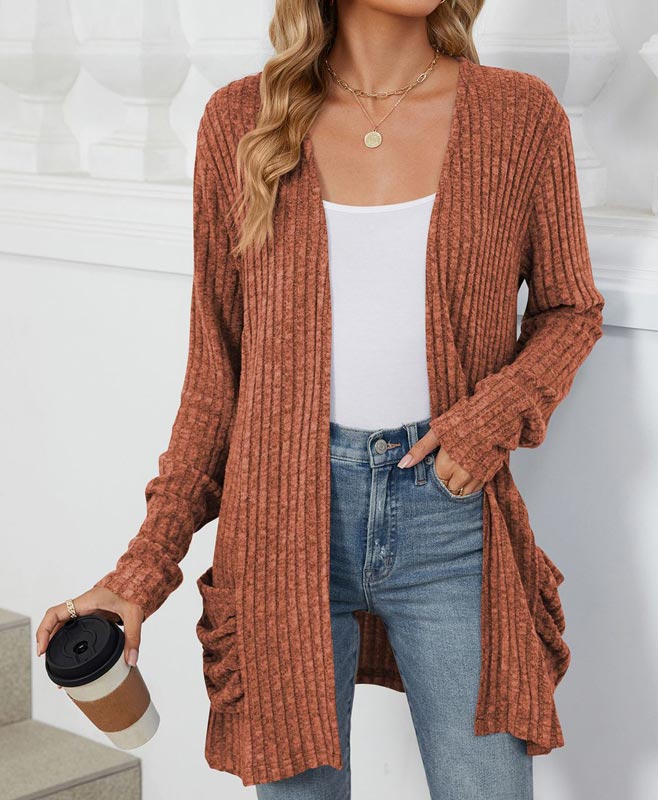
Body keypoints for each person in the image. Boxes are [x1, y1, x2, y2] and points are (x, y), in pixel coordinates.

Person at [36, 1, 605, 797]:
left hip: (449, 522)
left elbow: (570, 309)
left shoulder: (518, 115)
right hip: (278, 529)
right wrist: (140, 572)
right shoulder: (241, 121)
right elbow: (216, 384)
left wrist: (488, 421)